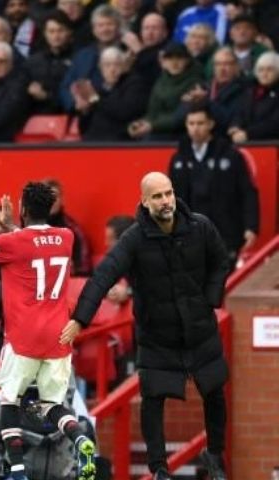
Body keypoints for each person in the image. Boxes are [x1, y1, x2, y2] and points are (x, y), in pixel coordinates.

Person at [64, 172, 230, 480]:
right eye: (157, 196)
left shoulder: (200, 226)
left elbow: (222, 261)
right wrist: (79, 319)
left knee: (215, 392)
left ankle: (215, 455)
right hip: (157, 335)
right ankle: (159, 469)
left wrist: (210, 299)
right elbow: (103, 277)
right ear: (144, 201)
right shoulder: (133, 239)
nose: (165, 201)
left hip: (200, 330)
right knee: (152, 400)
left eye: (168, 193)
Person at [0, 183, 97, 480]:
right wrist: (11, 226)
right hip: (58, 337)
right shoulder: (66, 236)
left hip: (24, 338)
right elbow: (34, 244)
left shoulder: (13, 242)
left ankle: (17, 470)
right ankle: (80, 438)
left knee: (9, 401)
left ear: (23, 209)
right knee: (52, 404)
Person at [168, 103, 259, 266]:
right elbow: (171, 198)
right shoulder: (178, 158)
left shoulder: (230, 155)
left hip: (225, 232)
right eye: (191, 123)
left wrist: (251, 226)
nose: (195, 128)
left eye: (200, 123)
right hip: (190, 235)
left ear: (211, 124)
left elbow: (247, 192)